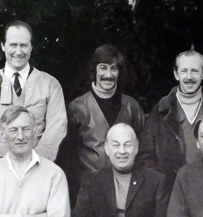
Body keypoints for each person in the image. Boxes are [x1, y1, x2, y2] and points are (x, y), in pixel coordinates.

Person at [0, 20, 67, 167]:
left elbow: (56, 129)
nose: (18, 52)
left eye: (24, 45)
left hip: (38, 169)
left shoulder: (50, 84)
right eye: (13, 45)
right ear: (3, 46)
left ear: (31, 47)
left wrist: (35, 162)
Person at [62, 44, 145, 202]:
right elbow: (68, 159)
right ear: (94, 70)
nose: (108, 75)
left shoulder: (131, 107)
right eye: (103, 68)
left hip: (127, 193)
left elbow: (144, 149)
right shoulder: (76, 109)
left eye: (113, 69)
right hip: (88, 194)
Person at [137, 50, 203, 188]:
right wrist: (162, 185)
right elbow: (146, 155)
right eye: (184, 71)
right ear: (176, 74)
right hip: (171, 191)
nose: (189, 77)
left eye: (194, 71)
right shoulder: (161, 110)